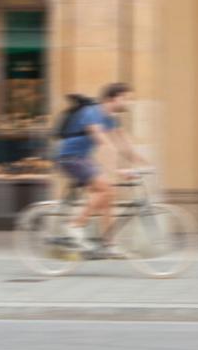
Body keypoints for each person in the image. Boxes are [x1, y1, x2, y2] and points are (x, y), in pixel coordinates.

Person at [56, 82, 149, 256]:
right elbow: (104, 143)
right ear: (111, 99)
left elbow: (124, 145)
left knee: (108, 195)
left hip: (82, 159)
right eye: (126, 98)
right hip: (69, 158)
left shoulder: (111, 119)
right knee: (106, 188)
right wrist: (118, 172)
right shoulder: (91, 113)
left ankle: (108, 244)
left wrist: (145, 164)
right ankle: (74, 226)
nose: (128, 103)